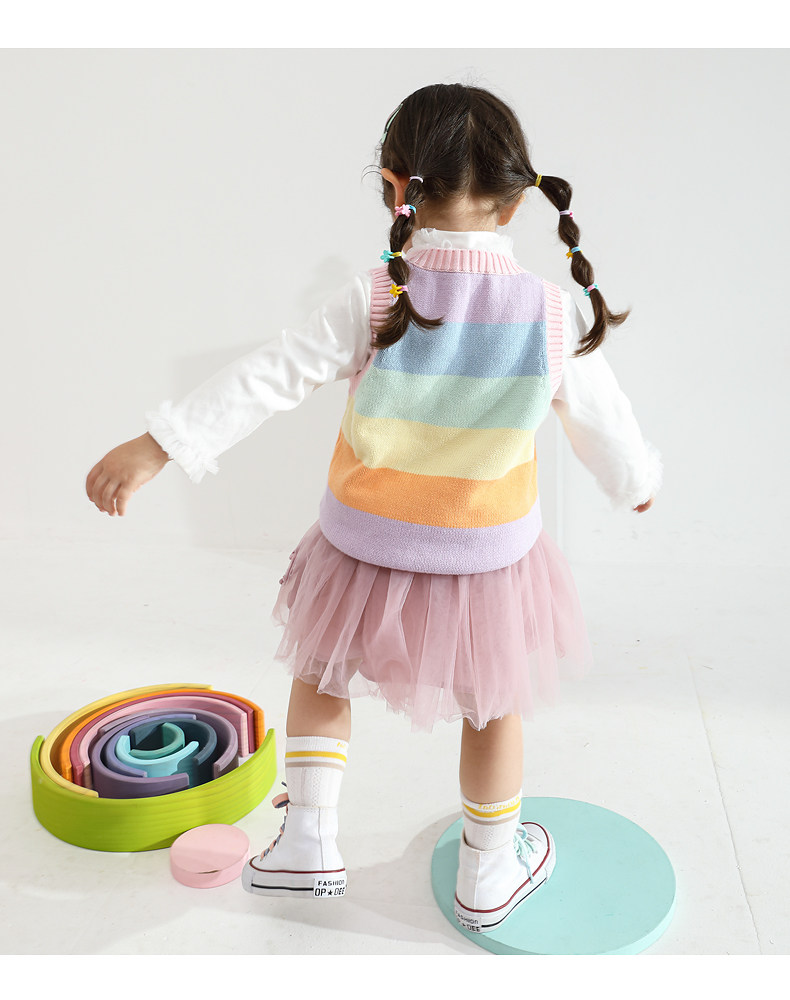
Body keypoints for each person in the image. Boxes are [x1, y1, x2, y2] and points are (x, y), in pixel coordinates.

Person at [85, 83, 662, 934]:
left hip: (363, 547)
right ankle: (488, 871)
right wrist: (636, 482)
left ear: (397, 189)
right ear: (514, 202)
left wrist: (159, 444)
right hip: (487, 559)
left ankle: (306, 845)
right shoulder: (551, 312)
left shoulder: (377, 296)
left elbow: (270, 376)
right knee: (492, 707)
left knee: (321, 675)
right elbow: (606, 425)